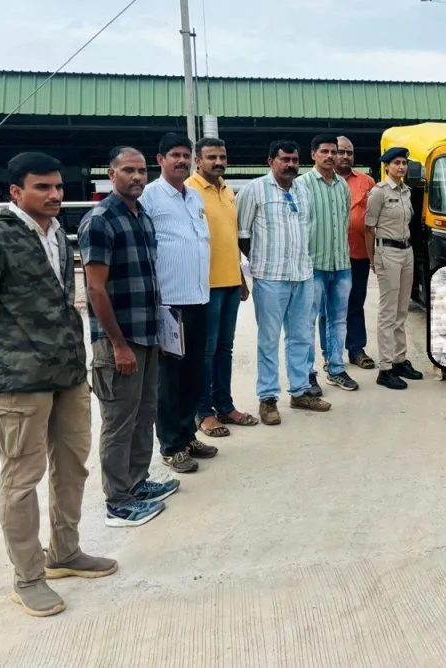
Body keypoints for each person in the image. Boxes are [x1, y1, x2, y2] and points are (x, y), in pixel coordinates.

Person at [0, 152, 117, 618]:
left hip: (68, 374)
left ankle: (65, 552)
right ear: (15, 192)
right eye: (42, 187)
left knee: (73, 467)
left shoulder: (58, 233)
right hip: (21, 382)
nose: (55, 194)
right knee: (22, 480)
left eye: (58, 186)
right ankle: (27, 577)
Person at [79, 146, 177, 528]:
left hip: (147, 335)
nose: (137, 177)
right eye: (128, 170)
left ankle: (137, 482)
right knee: (119, 420)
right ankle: (117, 501)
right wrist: (118, 345)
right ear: (111, 174)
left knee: (144, 413)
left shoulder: (142, 217)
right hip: (119, 339)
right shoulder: (100, 220)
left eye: (141, 171)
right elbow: (96, 289)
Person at [237, 140, 332, 424]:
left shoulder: (302, 190)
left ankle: (300, 392)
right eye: (285, 160)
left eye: (294, 160)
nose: (291, 165)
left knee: (301, 337)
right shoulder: (254, 190)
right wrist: (260, 261)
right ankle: (267, 399)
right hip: (270, 278)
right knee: (268, 340)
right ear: (270, 161)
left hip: (302, 274)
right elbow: (242, 234)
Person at [139, 133, 218, 474]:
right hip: (169, 304)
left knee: (193, 374)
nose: (182, 161)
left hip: (198, 297)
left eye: (186, 155)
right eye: (175, 155)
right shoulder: (149, 197)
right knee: (170, 380)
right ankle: (171, 445)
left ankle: (187, 435)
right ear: (160, 159)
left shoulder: (194, 196)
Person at [186, 137, 258, 439]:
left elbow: (229, 239)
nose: (218, 162)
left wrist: (240, 277)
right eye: (211, 157)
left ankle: (225, 405)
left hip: (229, 282)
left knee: (225, 348)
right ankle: (203, 412)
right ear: (197, 160)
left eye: (222, 157)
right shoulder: (189, 190)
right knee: (206, 350)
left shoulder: (228, 191)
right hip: (206, 286)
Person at [295, 134, 359, 393]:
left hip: (341, 264)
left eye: (335, 151)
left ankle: (336, 368)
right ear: (313, 155)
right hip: (313, 264)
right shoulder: (302, 185)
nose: (331, 156)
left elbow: (344, 223)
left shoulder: (343, 186)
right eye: (325, 151)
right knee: (308, 322)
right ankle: (307, 374)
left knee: (338, 320)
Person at [366, 146, 425, 390]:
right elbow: (369, 228)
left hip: (406, 251)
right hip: (387, 252)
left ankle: (399, 360)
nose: (401, 167)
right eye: (397, 163)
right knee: (388, 313)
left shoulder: (406, 191)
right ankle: (385, 367)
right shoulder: (379, 192)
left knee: (402, 310)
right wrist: (372, 259)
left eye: (404, 163)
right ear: (386, 166)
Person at [334, 136, 377, 370]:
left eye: (349, 153)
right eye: (340, 152)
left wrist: (374, 254)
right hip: (328, 256)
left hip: (359, 254)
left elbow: (374, 218)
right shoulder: (320, 181)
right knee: (330, 306)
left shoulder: (366, 182)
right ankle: (332, 353)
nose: (345, 156)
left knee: (356, 303)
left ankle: (356, 349)